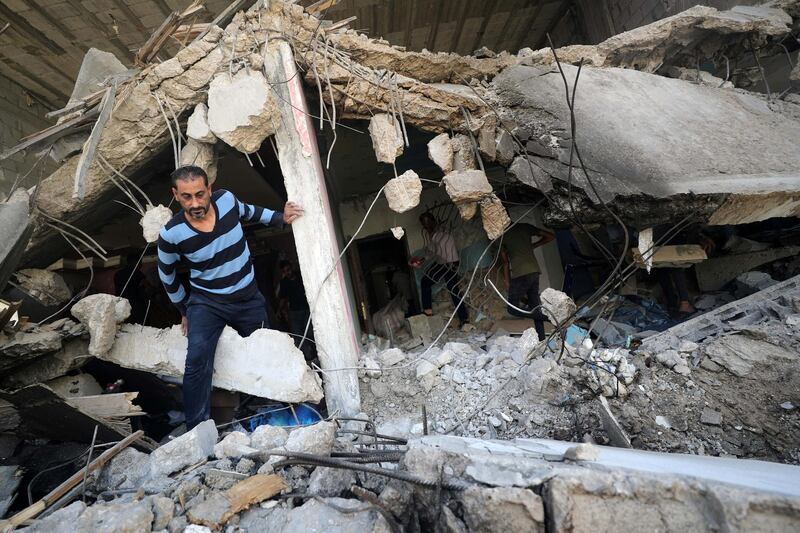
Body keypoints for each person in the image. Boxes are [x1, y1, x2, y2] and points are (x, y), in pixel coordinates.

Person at [157, 165, 303, 429]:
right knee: (197, 359)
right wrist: (184, 310)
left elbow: (251, 211)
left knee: (262, 351)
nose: (195, 203)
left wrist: (281, 217)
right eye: (187, 197)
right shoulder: (170, 234)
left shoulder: (226, 200)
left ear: (209, 189)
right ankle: (198, 428)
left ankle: (263, 413)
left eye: (200, 194)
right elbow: (167, 276)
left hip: (247, 297)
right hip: (207, 303)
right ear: (175, 195)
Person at [500, 223, 555, 340]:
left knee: (512, 308)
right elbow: (551, 236)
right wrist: (533, 245)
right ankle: (541, 339)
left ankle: (550, 318)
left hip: (520, 274)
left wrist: (507, 281)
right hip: (534, 271)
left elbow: (505, 262)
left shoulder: (501, 235)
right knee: (535, 307)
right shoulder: (524, 226)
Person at [411, 213, 468, 325]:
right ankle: (429, 311)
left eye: (427, 222)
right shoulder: (435, 233)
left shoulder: (438, 232)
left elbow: (436, 250)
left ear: (432, 221)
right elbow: (433, 250)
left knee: (453, 289)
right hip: (444, 262)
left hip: (449, 263)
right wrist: (422, 260)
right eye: (424, 224)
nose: (426, 226)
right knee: (427, 282)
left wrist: (421, 260)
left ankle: (464, 319)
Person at [277, 260, 314, 360]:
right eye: (284, 271)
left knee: (310, 334)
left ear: (292, 267)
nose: (287, 273)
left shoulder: (301, 276)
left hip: (307, 310)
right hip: (294, 313)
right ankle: (308, 359)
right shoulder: (284, 283)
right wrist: (279, 310)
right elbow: (283, 298)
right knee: (298, 336)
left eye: (288, 270)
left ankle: (314, 355)